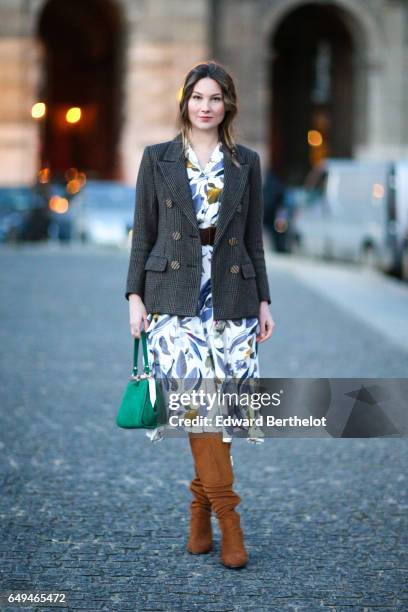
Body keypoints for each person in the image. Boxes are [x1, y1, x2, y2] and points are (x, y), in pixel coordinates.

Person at [125, 60, 275, 569]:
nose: (206, 107)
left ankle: (198, 511)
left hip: (232, 297)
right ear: (185, 102)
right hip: (173, 298)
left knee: (224, 412)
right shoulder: (158, 158)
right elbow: (142, 233)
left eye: (215, 99)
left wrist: (264, 301)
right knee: (200, 408)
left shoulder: (246, 162)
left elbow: (254, 237)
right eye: (197, 98)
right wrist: (134, 298)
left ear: (227, 106)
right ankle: (230, 522)